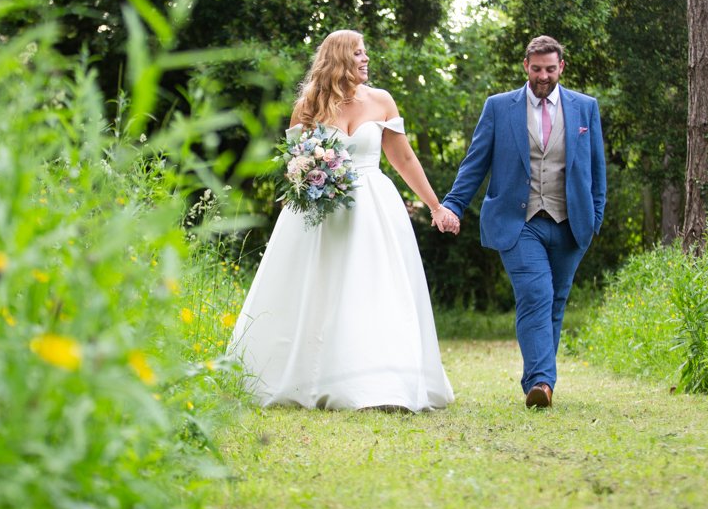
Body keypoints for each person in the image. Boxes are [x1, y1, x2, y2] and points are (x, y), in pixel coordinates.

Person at [229, 30, 456, 411]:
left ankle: (383, 380)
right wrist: (310, 174)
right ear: (338, 60)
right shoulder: (308, 106)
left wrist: (435, 206)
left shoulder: (382, 101)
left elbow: (404, 159)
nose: (366, 59)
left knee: (374, 289)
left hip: (374, 209)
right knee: (317, 288)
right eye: (358, 53)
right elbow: (294, 163)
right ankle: (306, 376)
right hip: (322, 213)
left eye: (366, 53)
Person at [437, 35, 606, 409]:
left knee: (555, 303)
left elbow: (596, 169)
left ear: (561, 67)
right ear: (525, 66)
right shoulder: (499, 107)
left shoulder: (585, 108)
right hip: (518, 221)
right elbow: (475, 162)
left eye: (550, 68)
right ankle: (543, 383)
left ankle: (539, 378)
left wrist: (595, 218)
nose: (543, 76)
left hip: (570, 222)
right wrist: (453, 205)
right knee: (536, 295)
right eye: (536, 68)